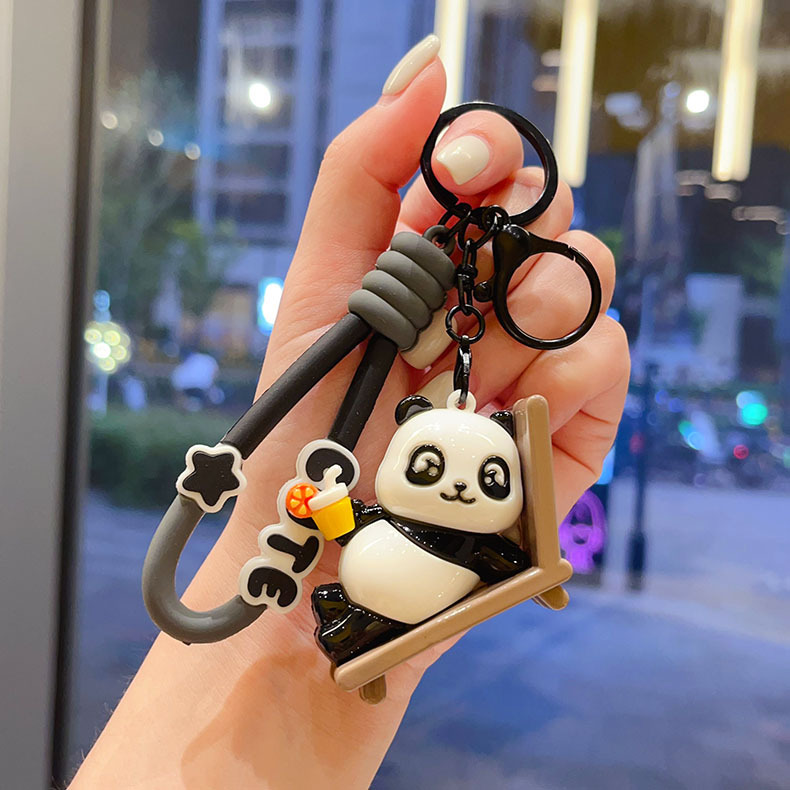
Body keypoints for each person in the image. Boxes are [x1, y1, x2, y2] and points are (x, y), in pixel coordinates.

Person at [71, 35, 629, 789]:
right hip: (350, 606)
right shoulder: (389, 482)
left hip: (374, 615)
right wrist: (303, 527)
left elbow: (421, 538)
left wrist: (531, 564)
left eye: (483, 480)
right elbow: (348, 520)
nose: (456, 489)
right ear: (405, 431)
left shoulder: (473, 533)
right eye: (432, 466)